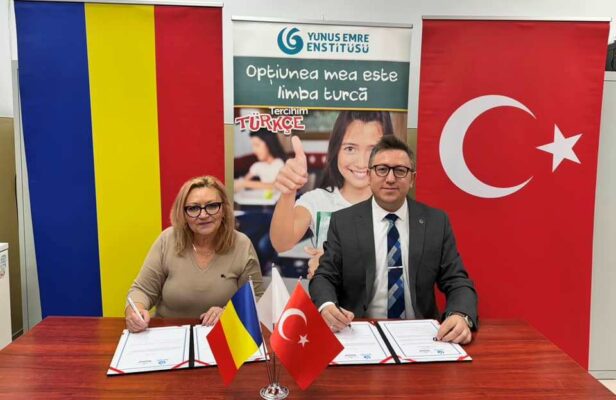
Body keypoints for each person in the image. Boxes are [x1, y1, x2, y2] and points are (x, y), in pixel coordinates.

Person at [309, 136, 478, 344]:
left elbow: (457, 281)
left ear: (412, 178)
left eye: (400, 170)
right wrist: (327, 306)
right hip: (359, 332)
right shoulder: (343, 222)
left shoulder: (436, 222)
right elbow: (324, 276)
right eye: (382, 169)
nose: (390, 179)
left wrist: (461, 315)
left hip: (421, 334)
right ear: (369, 175)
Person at [125, 175, 264, 333]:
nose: (203, 215)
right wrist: (135, 313)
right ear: (183, 214)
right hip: (169, 335)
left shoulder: (242, 244)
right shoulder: (167, 240)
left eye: (212, 206)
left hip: (223, 336)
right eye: (193, 208)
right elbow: (141, 290)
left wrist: (229, 314)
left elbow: (257, 299)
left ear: (224, 210)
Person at [270, 111, 394, 278]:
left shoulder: (396, 207)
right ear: (336, 150)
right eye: (350, 148)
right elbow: (282, 243)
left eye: (374, 150)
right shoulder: (318, 200)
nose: (361, 162)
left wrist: (334, 265)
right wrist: (288, 192)